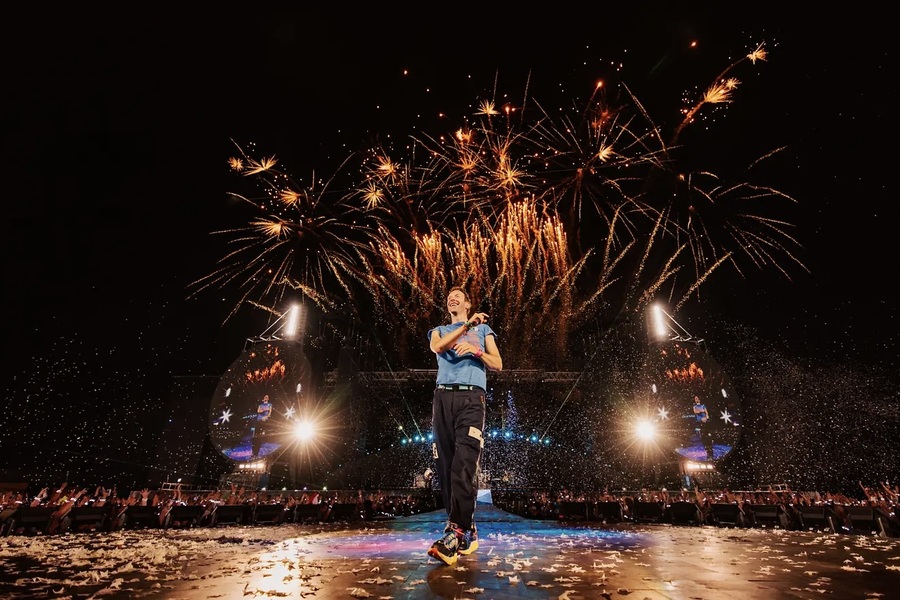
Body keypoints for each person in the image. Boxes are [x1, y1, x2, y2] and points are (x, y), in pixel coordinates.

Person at [426, 286, 502, 566]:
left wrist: (476, 350)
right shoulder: (439, 330)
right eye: (449, 297)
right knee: (446, 467)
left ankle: (455, 532)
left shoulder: (484, 330)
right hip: (442, 397)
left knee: (464, 464)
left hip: (472, 397)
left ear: (468, 304)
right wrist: (467, 326)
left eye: (458, 296)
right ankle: (465, 528)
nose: (452, 298)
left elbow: (498, 364)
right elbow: (438, 347)